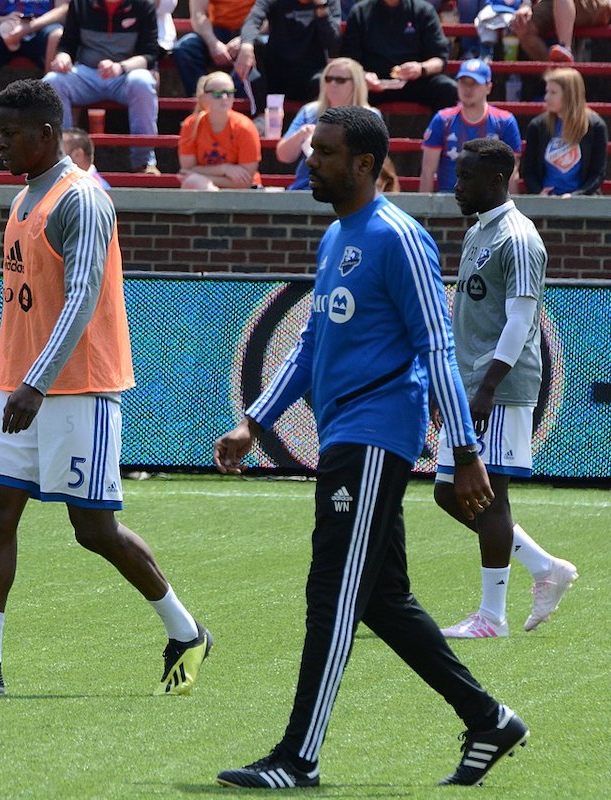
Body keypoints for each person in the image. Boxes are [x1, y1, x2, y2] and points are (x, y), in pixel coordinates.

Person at [213, 105, 528, 790]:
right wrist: (256, 421)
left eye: (324, 152)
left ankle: (299, 758)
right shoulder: (336, 237)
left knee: (332, 590)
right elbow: (312, 342)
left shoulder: (398, 237)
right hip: (346, 436)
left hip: (375, 436)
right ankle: (488, 719)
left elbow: (435, 346)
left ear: (364, 164)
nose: (309, 161)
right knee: (381, 598)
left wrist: (467, 450)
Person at [0, 79, 211, 696]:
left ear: (47, 134)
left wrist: (36, 383)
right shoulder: (25, 197)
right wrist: (22, 382)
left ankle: (186, 632)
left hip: (76, 388)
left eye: (10, 133)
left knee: (92, 528)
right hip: (21, 386)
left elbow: (82, 298)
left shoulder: (83, 200)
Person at [435, 138, 578, 639]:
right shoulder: (480, 231)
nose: (457, 185)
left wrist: (487, 387)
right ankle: (544, 567)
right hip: (469, 381)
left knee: (489, 497)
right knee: (448, 492)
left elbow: (521, 319)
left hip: (500, 385)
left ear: (495, 180)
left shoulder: (519, 237)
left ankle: (491, 617)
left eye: (466, 176)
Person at [43, 0, 162, 175]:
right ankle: (61, 160)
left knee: (142, 82)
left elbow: (150, 53)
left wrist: (120, 67)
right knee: (53, 81)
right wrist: (63, 57)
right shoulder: (79, 4)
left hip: (125, 75)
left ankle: (143, 162)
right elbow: (67, 44)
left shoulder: (143, 5)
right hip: (87, 74)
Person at [419, 59, 521, 194]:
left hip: (489, 204)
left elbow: (512, 173)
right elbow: (427, 171)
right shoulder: (442, 119)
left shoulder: (505, 121)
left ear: (488, 87)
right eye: (463, 82)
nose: (467, 89)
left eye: (474, 83)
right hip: (450, 201)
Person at [276, 57, 377, 191]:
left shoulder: (370, 116)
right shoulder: (310, 112)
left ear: (356, 84)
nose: (333, 84)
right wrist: (300, 135)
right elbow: (283, 155)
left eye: (340, 80)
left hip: (350, 189)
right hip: (307, 187)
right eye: (328, 79)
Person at [341, 0, 457, 113]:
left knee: (447, 88)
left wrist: (421, 68)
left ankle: (442, 132)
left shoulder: (423, 10)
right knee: (345, 86)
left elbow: (440, 58)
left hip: (415, 81)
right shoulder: (360, 12)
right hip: (372, 83)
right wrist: (362, 76)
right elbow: (349, 60)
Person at [234, 0, 343, 105]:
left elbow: (333, 43)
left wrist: (321, 7)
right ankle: (260, 115)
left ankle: (314, 120)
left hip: (311, 74)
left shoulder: (328, 2)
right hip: (278, 72)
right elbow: (253, 19)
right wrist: (246, 45)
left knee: (324, 81)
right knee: (252, 46)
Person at [521, 67, 607, 196]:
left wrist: (577, 195)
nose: (546, 97)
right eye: (547, 91)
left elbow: (597, 173)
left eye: (553, 92)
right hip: (546, 200)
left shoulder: (595, 126)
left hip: (582, 201)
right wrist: (539, 192)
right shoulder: (538, 126)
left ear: (570, 95)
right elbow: (529, 170)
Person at [177, 71, 261, 190]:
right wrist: (225, 169)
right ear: (205, 97)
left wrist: (206, 176)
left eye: (229, 93)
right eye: (218, 94)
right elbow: (187, 171)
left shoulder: (245, 127)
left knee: (194, 180)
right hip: (206, 188)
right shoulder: (191, 125)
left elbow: (245, 182)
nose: (225, 98)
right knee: (192, 182)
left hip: (244, 193)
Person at [0, 1, 69, 96]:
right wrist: (2, 20)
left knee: (58, 36)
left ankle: (49, 107)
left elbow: (63, 9)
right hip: (3, 28)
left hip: (42, 26)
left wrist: (31, 26)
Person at [172, 0, 256, 97]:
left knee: (256, 50)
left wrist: (245, 39)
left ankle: (229, 100)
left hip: (252, 31)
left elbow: (268, 15)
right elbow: (198, 14)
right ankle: (202, 100)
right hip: (216, 31)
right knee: (185, 49)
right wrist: (213, 43)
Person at [511, 0, 611, 62]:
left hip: (595, 4)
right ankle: (558, 74)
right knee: (523, 25)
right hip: (552, 3)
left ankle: (565, 48)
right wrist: (525, 5)